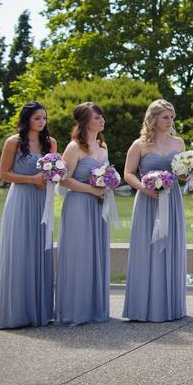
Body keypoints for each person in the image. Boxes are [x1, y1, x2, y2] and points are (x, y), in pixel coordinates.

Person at [0, 102, 57, 328]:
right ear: (27, 119)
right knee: (20, 249)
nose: (42, 122)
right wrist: (32, 179)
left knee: (41, 250)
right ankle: (17, 313)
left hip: (42, 201)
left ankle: (39, 312)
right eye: (37, 118)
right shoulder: (13, 142)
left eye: (44, 119)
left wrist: (49, 179)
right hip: (20, 200)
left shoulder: (50, 143)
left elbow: (55, 172)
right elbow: (4, 174)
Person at [122, 99, 187, 322]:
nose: (170, 121)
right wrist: (144, 188)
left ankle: (170, 306)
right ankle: (143, 307)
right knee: (146, 248)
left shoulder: (179, 143)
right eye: (165, 117)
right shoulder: (139, 144)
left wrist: (190, 173)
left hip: (172, 199)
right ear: (153, 119)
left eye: (171, 117)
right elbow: (128, 173)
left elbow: (182, 172)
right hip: (147, 200)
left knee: (170, 247)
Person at [56, 102, 112, 326]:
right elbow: (64, 179)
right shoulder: (73, 147)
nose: (101, 120)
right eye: (97, 117)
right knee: (79, 254)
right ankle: (74, 310)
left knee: (96, 252)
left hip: (98, 206)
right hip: (79, 204)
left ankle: (93, 308)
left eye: (101, 117)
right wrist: (91, 189)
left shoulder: (103, 146)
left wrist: (108, 184)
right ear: (85, 122)